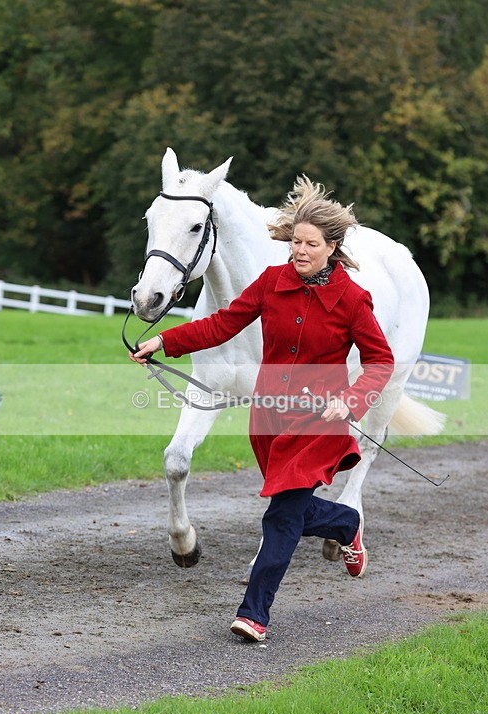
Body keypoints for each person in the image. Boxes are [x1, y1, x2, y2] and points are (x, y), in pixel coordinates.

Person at [130, 176, 394, 642]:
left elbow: (379, 361)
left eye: (311, 244)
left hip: (319, 424)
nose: (300, 251)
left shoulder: (352, 299)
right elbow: (221, 324)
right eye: (295, 242)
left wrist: (352, 400)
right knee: (292, 509)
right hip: (270, 419)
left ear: (331, 247)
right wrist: (164, 340)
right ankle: (347, 522)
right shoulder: (272, 282)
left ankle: (254, 613)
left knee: (281, 519)